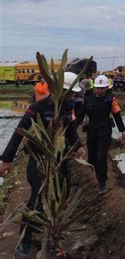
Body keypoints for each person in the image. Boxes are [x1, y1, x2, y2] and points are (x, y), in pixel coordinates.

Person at [0, 72, 85, 258]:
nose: (72, 96)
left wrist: (78, 146)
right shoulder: (37, 108)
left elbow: (69, 129)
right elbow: (19, 133)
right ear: (59, 89)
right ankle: (26, 240)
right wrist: (6, 160)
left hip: (58, 161)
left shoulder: (66, 107)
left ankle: (50, 232)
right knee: (37, 199)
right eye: (70, 93)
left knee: (61, 194)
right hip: (38, 161)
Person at [77, 75, 125, 195]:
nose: (99, 90)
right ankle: (98, 175)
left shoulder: (111, 100)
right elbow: (80, 116)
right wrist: (71, 127)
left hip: (105, 132)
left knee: (101, 157)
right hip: (92, 132)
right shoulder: (88, 99)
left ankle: (102, 183)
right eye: (97, 88)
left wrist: (123, 131)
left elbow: (117, 116)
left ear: (106, 88)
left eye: (102, 88)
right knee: (92, 160)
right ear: (94, 88)